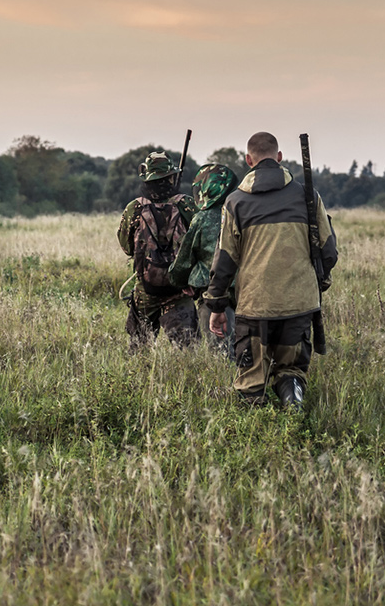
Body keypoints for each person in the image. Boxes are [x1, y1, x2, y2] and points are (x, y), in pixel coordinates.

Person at [204, 132, 337, 409]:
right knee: (291, 371)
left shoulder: (236, 202)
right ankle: (293, 406)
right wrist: (317, 279)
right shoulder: (308, 196)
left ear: (248, 160)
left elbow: (225, 260)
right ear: (279, 157)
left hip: (254, 307)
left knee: (251, 379)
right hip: (299, 304)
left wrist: (216, 305)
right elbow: (329, 251)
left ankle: (258, 436)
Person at [117, 151, 199, 347]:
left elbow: (127, 247)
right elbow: (199, 242)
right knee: (188, 351)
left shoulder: (134, 208)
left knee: (139, 348)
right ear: (171, 177)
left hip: (146, 290)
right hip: (180, 290)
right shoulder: (186, 204)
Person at [167, 162, 240, 355]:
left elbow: (183, 261)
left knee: (222, 356)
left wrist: (179, 280)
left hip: (214, 296)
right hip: (249, 293)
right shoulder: (244, 212)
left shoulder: (203, 218)